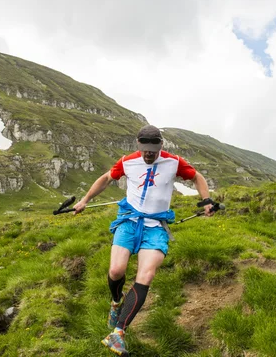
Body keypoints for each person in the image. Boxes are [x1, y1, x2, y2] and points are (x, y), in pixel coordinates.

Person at [72, 124, 214, 356]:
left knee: (146, 275)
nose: (149, 154)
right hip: (129, 220)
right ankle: (116, 302)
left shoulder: (173, 162)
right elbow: (107, 178)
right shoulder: (127, 161)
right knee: (117, 270)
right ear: (138, 145)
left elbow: (196, 176)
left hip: (156, 226)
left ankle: (118, 334)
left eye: (153, 150)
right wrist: (85, 200)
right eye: (145, 150)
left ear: (160, 146)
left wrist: (206, 200)